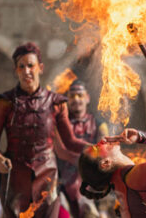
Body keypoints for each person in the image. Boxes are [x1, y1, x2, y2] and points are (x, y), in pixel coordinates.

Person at [0, 42, 89, 218]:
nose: (27, 71)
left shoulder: (57, 103)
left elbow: (71, 141)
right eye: (21, 66)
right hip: (16, 181)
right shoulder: (4, 102)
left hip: (47, 178)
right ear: (16, 70)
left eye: (31, 65)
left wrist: (97, 148)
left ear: (40, 68)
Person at [78, 82, 146, 218]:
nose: (103, 140)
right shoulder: (132, 179)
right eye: (98, 147)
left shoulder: (120, 180)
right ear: (106, 163)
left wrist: (142, 137)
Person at [54, 80, 105, 217]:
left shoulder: (99, 125)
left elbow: (104, 151)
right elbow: (61, 151)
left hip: (91, 185)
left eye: (80, 95)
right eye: (72, 96)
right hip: (63, 185)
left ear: (87, 98)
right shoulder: (59, 125)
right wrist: (85, 159)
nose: (76, 99)